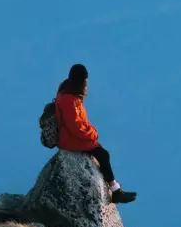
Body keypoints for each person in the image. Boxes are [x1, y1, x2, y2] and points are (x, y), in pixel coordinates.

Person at [54, 63, 137, 204]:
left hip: (72, 137)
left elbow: (79, 122)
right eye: (85, 80)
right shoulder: (69, 100)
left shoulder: (70, 95)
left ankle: (116, 189)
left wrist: (90, 131)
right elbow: (75, 126)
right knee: (103, 154)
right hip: (70, 139)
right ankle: (116, 191)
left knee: (101, 153)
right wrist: (92, 134)